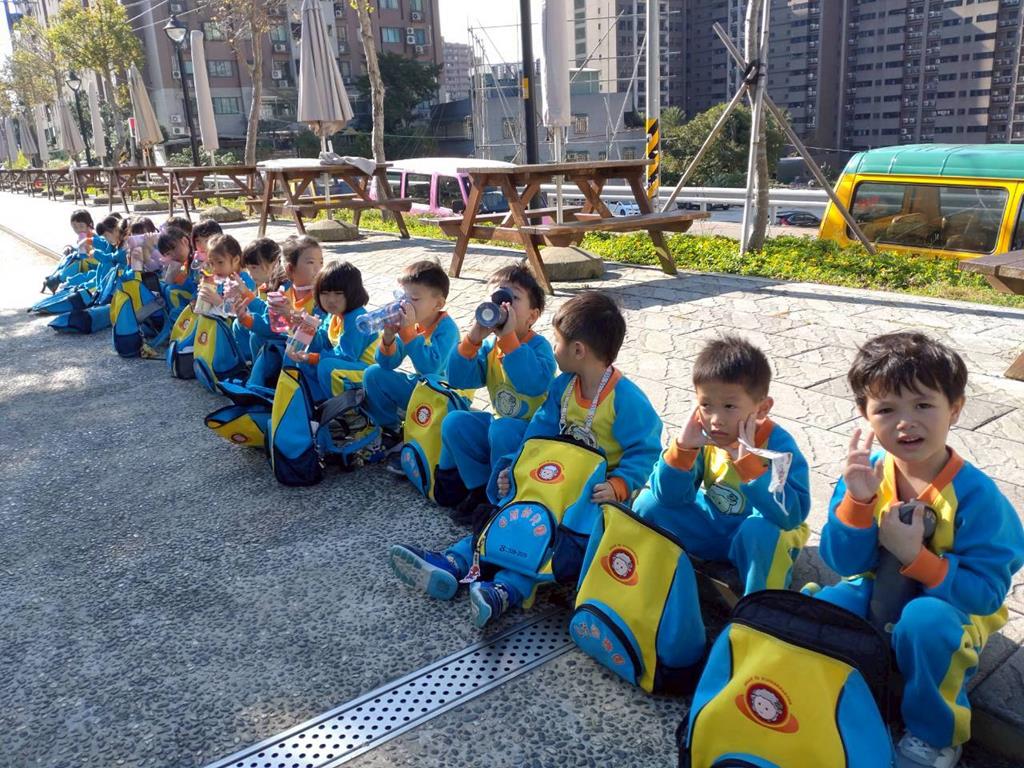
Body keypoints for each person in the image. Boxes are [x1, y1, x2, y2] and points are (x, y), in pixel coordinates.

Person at [388, 291, 662, 628]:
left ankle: (508, 588)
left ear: (578, 350)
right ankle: (457, 560)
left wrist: (620, 485)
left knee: (551, 536)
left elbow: (646, 450)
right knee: (513, 511)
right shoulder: (564, 387)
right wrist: (513, 466)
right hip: (555, 478)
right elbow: (537, 433)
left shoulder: (626, 398)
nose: (555, 348)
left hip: (593, 494)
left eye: (559, 342)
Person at [814, 332, 1024, 768]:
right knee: (828, 605)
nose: (905, 423)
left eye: (923, 405)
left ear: (955, 409)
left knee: (926, 623)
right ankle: (835, 697)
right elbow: (842, 562)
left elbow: (985, 595)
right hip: (878, 589)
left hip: (954, 608)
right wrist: (857, 502)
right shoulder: (868, 475)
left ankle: (934, 734)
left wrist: (917, 559)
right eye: (886, 410)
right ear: (865, 415)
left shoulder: (978, 499)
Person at [633, 336, 811, 595]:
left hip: (761, 535)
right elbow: (668, 498)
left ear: (762, 408)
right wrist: (682, 449)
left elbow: (791, 516)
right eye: (706, 405)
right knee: (648, 503)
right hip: (717, 527)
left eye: (729, 406)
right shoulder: (704, 438)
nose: (716, 419)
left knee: (760, 532)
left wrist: (749, 466)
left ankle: (761, 605)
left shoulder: (778, 447)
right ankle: (648, 584)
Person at [436, 264, 556, 523]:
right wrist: (472, 339)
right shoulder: (491, 345)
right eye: (496, 297)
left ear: (532, 316)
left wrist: (509, 339)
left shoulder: (539, 347)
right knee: (455, 422)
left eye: (512, 298)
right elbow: (457, 379)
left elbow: (532, 384)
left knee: (503, 428)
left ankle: (502, 500)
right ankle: (480, 489)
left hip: (535, 436)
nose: (502, 305)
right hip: (501, 431)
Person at [362, 260, 460, 470]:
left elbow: (431, 368)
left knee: (428, 381)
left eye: (414, 299)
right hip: (424, 389)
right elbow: (387, 364)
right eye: (404, 298)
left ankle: (417, 446)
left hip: (447, 397)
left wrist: (408, 333)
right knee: (373, 374)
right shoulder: (413, 324)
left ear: (438, 304)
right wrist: (388, 338)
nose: (406, 305)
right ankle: (391, 431)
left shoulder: (448, 330)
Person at [285, 260, 379, 402]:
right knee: (303, 360)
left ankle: (348, 411)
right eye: (324, 293)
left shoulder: (357, 319)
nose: (330, 300)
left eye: (338, 293)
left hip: (369, 373)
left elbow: (347, 357)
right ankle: (316, 402)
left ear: (352, 293)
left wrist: (313, 357)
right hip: (348, 368)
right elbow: (324, 344)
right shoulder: (334, 315)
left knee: (326, 366)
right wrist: (310, 330)